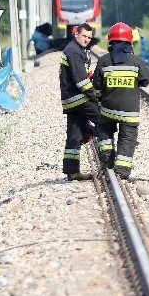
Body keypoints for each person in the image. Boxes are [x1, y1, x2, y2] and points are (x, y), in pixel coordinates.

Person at [92, 22, 149, 179]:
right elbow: (146, 80)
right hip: (130, 112)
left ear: (110, 42)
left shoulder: (104, 61)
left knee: (104, 130)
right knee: (127, 139)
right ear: (129, 42)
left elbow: (96, 87)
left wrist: (100, 97)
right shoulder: (136, 61)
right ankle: (123, 171)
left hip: (108, 110)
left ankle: (107, 160)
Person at [59, 23, 101, 181]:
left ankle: (72, 171)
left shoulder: (76, 49)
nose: (86, 40)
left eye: (89, 38)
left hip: (71, 99)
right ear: (76, 33)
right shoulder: (74, 52)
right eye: (84, 36)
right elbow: (81, 80)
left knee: (74, 136)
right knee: (104, 120)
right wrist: (96, 96)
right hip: (79, 98)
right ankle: (109, 161)